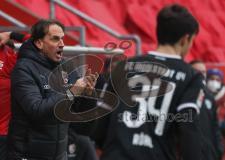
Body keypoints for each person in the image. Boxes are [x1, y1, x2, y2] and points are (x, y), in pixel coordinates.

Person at [92, 4, 204, 160]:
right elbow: (188, 129)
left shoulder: (123, 67)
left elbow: (99, 124)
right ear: (186, 39)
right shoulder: (191, 76)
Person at [7, 19, 98, 160]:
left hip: (59, 155)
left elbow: (79, 119)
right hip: (28, 155)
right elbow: (36, 110)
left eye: (62, 39)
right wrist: (72, 92)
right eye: (55, 39)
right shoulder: (24, 69)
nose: (62, 44)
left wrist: (87, 95)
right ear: (39, 43)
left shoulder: (67, 67)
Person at [0, 31, 29, 160]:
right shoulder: (9, 64)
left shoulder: (8, 63)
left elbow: (35, 44)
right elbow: (33, 43)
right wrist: (12, 34)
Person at [190, 60, 223, 160]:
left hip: (208, 154)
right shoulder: (181, 95)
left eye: (203, 72)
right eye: (197, 71)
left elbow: (215, 127)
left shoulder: (209, 97)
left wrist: (218, 150)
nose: (201, 75)